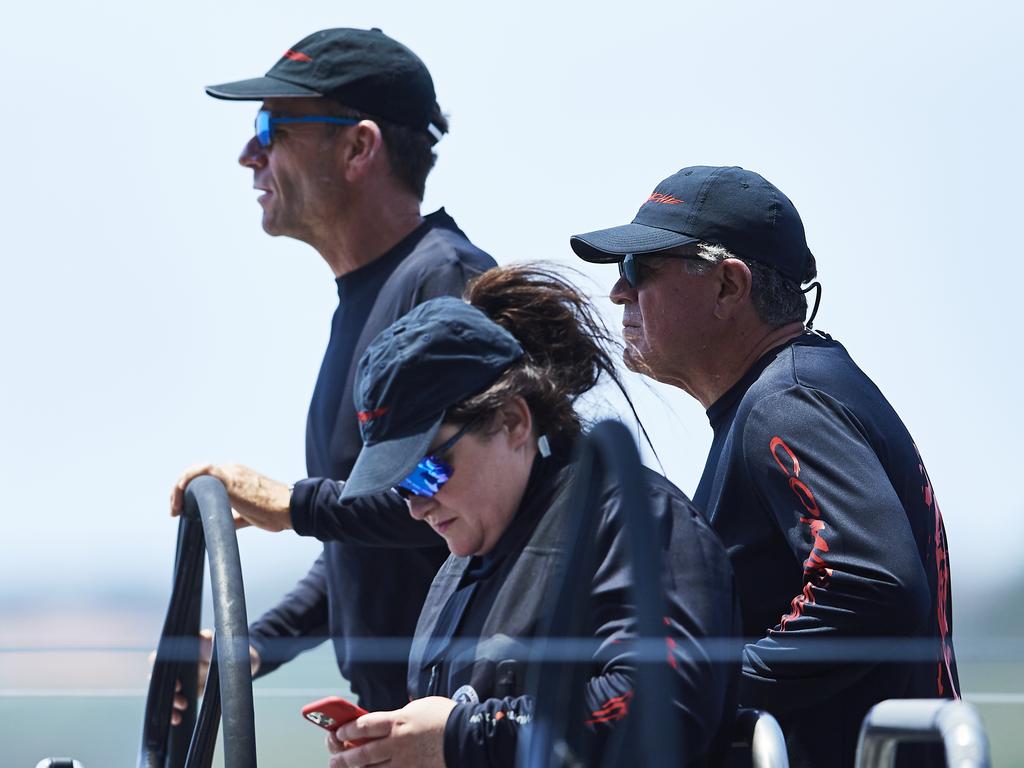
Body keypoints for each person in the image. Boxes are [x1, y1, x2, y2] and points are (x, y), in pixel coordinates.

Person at [569, 165, 959, 767]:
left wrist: (703, 686)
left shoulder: (786, 403)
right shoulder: (796, 390)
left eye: (637, 268)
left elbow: (872, 586)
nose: (619, 292)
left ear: (729, 287)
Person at [282, 264, 739, 768]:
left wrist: (460, 735)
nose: (414, 504)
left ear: (513, 422)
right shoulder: (459, 566)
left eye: (426, 472)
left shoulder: (637, 519)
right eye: (400, 484)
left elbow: (664, 707)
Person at [172, 27, 496, 717]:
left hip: (458, 728)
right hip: (402, 726)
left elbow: (453, 493)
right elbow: (373, 539)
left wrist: (292, 504)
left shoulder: (445, 282)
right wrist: (252, 648)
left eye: (272, 128)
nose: (247, 155)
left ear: (358, 147)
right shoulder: (376, 294)